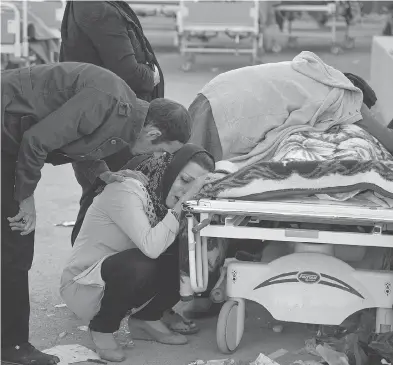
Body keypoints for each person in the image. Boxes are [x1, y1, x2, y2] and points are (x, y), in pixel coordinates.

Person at [1, 62, 190, 365]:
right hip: (7, 131)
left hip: (13, 135)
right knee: (16, 236)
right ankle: (13, 345)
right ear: (153, 132)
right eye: (161, 151)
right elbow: (36, 141)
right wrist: (24, 198)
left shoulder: (124, 116)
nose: (157, 158)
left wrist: (102, 173)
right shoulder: (108, 101)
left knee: (13, 243)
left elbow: (76, 143)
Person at [60, 144, 215, 362]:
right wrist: (184, 201)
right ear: (169, 169)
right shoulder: (126, 189)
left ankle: (147, 318)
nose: (184, 190)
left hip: (121, 283)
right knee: (141, 263)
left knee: (187, 252)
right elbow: (152, 247)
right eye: (185, 180)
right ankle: (102, 328)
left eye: (194, 186)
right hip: (85, 287)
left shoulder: (160, 198)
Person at [60, 1, 165, 218]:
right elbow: (130, 74)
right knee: (109, 200)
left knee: (108, 201)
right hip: (112, 124)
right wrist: (151, 75)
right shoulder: (97, 8)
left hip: (108, 120)